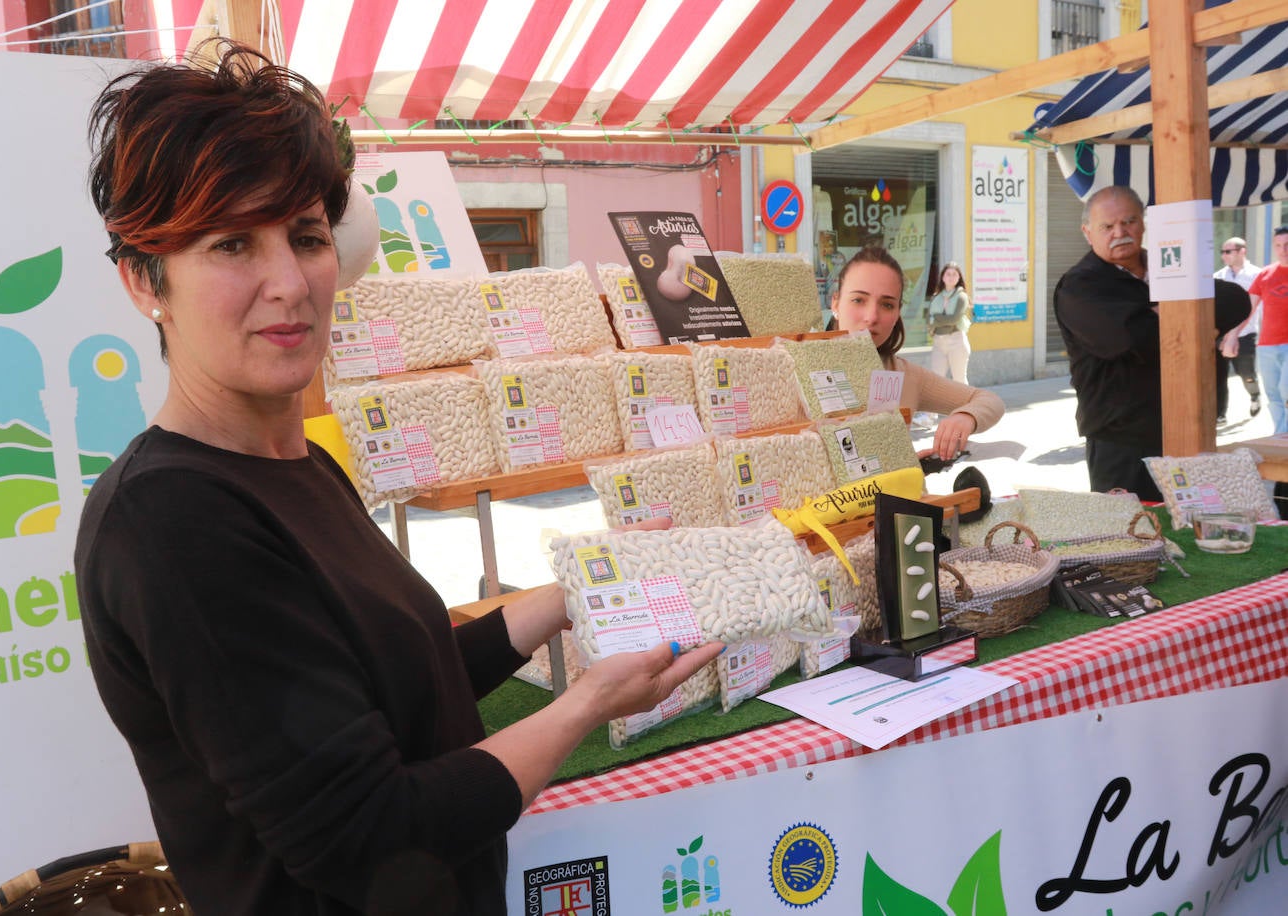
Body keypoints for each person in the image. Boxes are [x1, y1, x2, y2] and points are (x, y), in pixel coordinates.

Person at [76, 43, 721, 916]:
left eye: (305, 237)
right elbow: (367, 830)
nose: (289, 283)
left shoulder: (298, 464)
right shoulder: (167, 522)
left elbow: (396, 682)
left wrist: (562, 593)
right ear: (143, 280)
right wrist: (583, 707)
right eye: (233, 244)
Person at [1053, 185, 1251, 501]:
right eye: (1107, 226)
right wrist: (1192, 318)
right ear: (1088, 233)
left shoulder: (1170, 267)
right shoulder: (1080, 285)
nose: (1120, 232)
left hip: (1190, 427)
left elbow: (1236, 301)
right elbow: (1127, 339)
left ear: (1143, 224)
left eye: (1129, 222)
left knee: (1193, 535)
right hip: (1123, 440)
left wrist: (1158, 312)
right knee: (1133, 536)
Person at [829, 247, 1005, 462]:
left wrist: (966, 417)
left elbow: (990, 401)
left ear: (897, 314)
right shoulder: (793, 369)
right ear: (835, 303)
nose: (871, 316)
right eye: (858, 300)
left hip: (901, 495)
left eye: (886, 305)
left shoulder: (905, 375)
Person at [1212, 237, 1262, 423]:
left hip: (1246, 334)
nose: (1224, 256)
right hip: (1222, 334)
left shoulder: (1258, 274)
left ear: (1242, 251)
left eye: (1228, 251)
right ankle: (1220, 413)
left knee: (1246, 373)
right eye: (1222, 252)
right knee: (1219, 374)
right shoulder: (1218, 276)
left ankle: (1255, 395)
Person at [1246, 226, 1288, 435]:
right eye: (1279, 245)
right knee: (1273, 395)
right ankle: (1281, 435)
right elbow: (1248, 309)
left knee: (1286, 389)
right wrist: (1232, 335)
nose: (1283, 250)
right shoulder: (1265, 274)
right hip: (1267, 346)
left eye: (1287, 245)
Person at [924, 260, 973, 383]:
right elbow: (928, 320)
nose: (951, 277)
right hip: (938, 342)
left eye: (954, 274)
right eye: (948, 274)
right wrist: (937, 320)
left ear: (959, 278)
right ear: (943, 277)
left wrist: (936, 318)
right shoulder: (936, 297)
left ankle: (964, 403)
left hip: (956, 341)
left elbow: (953, 320)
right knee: (936, 379)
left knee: (959, 380)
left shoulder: (962, 297)